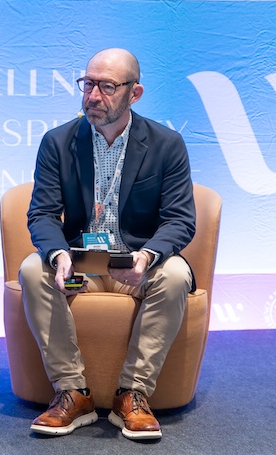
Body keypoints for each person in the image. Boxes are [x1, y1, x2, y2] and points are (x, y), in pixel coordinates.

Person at [19, 48, 195, 441]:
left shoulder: (167, 145)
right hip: (83, 264)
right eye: (88, 84)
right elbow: (42, 214)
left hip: (136, 264)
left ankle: (133, 395)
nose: (93, 96)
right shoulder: (58, 142)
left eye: (107, 87)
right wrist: (60, 254)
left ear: (135, 93)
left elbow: (180, 219)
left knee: (176, 273)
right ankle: (72, 393)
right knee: (33, 269)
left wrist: (147, 256)